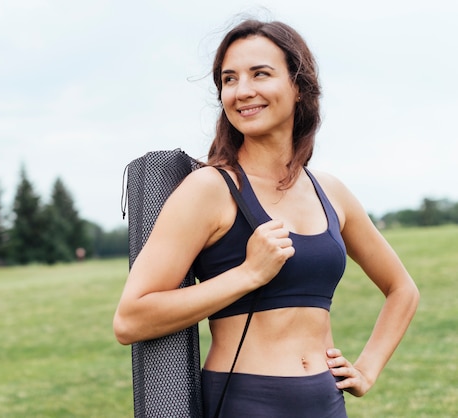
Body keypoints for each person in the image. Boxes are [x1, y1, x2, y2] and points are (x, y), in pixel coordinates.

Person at [113, 18, 419, 417]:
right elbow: (130, 319)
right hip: (246, 402)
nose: (243, 91)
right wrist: (247, 274)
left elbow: (402, 288)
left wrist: (366, 369)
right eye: (229, 79)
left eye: (260, 74)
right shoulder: (209, 189)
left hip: (325, 402)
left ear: (298, 87)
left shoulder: (331, 191)